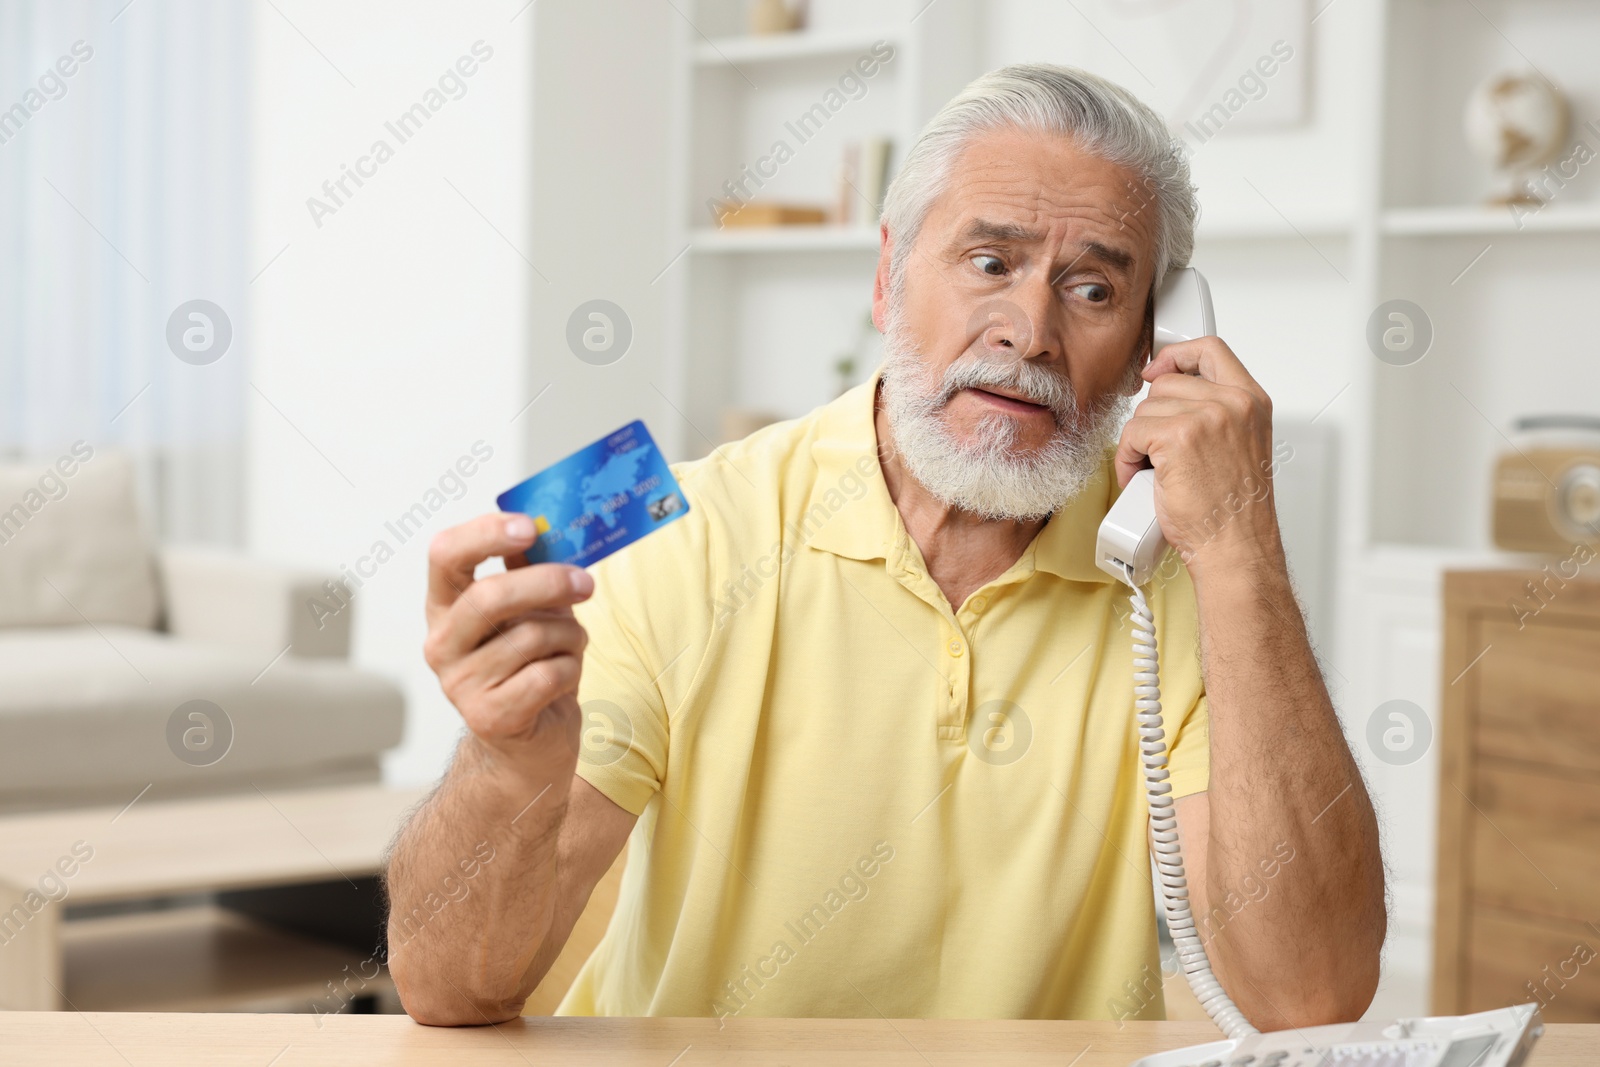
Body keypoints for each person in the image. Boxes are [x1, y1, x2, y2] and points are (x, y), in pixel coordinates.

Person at [386, 63, 1384, 1028]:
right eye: (989, 263)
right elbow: (449, 987)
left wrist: (1242, 538)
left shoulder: (1172, 575)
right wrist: (507, 764)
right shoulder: (683, 520)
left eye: (1090, 291)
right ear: (887, 277)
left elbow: (1308, 996)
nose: (1027, 331)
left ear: (1148, 347)